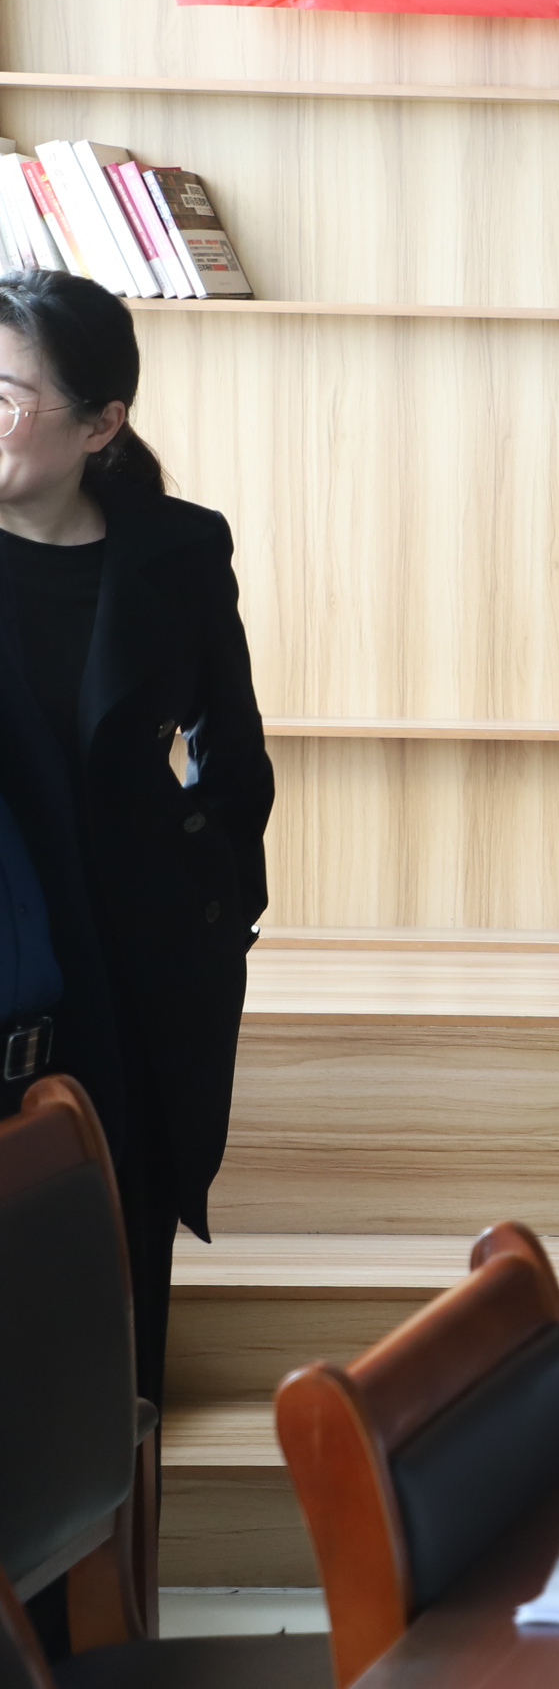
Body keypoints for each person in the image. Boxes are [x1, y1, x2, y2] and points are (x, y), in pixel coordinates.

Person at [0, 269, 271, 1402]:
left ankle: (121, 1517)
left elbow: (234, 754)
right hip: (7, 975)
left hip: (132, 977)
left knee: (116, 1306)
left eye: (8, 395)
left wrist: (213, 912)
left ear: (100, 424)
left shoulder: (177, 550)